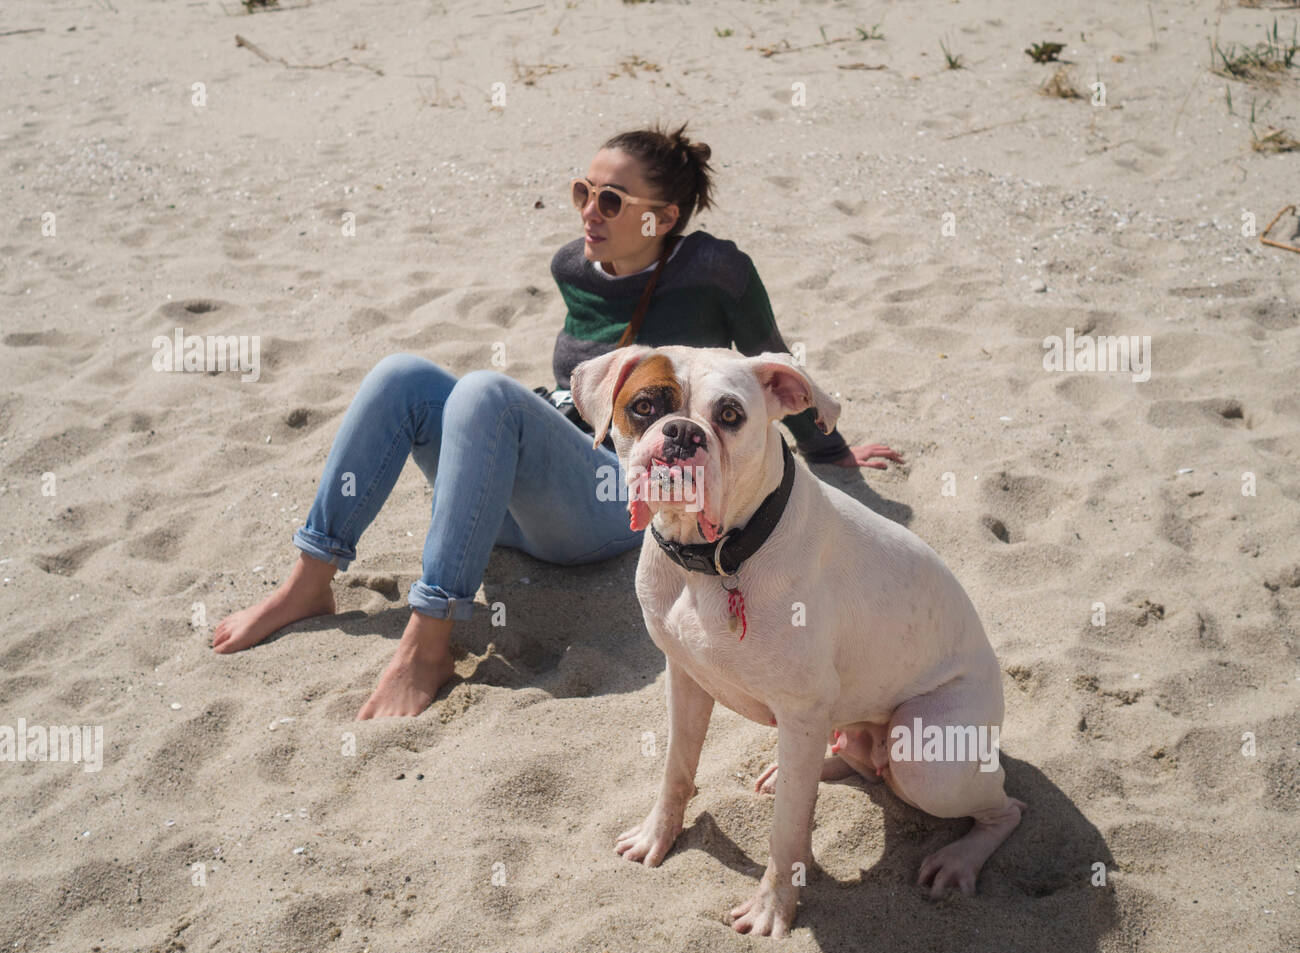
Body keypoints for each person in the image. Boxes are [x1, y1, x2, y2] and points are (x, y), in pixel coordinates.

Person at [212, 122, 903, 718]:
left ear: (659, 219)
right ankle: (310, 582)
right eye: (582, 192)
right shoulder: (575, 266)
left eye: (609, 199)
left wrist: (832, 449)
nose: (587, 212)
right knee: (402, 377)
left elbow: (768, 367)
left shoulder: (717, 270)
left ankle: (428, 644)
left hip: (614, 496)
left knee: (484, 390)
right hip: (531, 486)